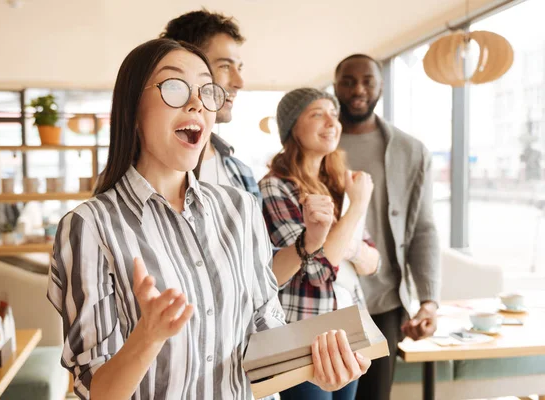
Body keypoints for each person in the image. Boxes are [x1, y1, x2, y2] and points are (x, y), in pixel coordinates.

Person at [47, 38, 370, 400]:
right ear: (132, 110)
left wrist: (319, 372)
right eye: (173, 87)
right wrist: (147, 337)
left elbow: (266, 333)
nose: (196, 102)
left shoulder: (241, 209)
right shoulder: (89, 227)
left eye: (206, 90)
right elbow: (97, 390)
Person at [160, 10, 330, 287]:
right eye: (225, 66)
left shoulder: (240, 174)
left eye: (238, 67)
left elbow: (262, 276)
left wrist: (310, 241)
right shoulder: (139, 175)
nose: (239, 82)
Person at [260, 88, 381, 400]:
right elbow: (316, 270)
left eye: (334, 114)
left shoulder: (341, 184)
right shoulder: (275, 187)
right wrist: (357, 206)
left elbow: (372, 263)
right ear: (291, 128)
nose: (332, 121)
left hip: (348, 329)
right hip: (303, 333)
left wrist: (347, 245)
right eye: (317, 114)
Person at [334, 54, 441, 400]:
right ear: (335, 86)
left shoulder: (411, 151)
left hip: (383, 305)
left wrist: (429, 301)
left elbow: (423, 230)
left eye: (368, 80)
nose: (358, 89)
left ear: (381, 86)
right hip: (323, 304)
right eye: (348, 81)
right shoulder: (317, 143)